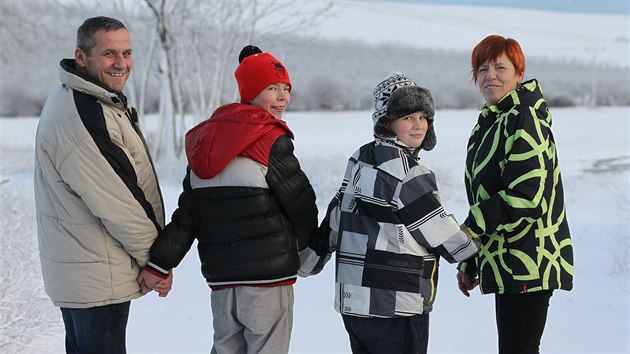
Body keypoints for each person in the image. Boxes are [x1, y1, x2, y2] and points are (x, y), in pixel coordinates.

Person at [136, 45, 318, 354]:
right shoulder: (271, 138)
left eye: (286, 88)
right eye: (271, 88)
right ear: (249, 93)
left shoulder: (206, 141)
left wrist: (159, 263)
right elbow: (299, 202)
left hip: (222, 281)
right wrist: (313, 250)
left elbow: (188, 215)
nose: (282, 96)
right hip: (268, 279)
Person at [298, 72, 478, 354]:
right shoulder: (408, 173)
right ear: (386, 121)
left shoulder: (360, 158)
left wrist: (309, 260)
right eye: (407, 117)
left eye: (423, 116)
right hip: (396, 304)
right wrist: (473, 251)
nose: (418, 125)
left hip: (355, 303)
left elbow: (338, 216)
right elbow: (439, 232)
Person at [34, 16, 172, 354]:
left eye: (127, 52)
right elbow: (119, 202)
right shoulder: (83, 112)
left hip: (87, 271)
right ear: (81, 57)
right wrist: (156, 261)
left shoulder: (88, 99)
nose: (121, 63)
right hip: (96, 274)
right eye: (109, 53)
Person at [456, 35, 574, 354]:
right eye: (482, 68)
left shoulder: (523, 119)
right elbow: (486, 195)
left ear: (519, 74)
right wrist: (472, 260)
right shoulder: (492, 121)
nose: (490, 75)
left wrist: (469, 230)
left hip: (528, 259)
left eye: (499, 67)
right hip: (507, 259)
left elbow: (522, 198)